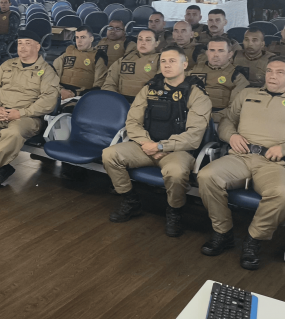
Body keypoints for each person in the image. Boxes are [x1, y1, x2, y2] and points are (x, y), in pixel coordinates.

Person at [197, 56, 285, 270]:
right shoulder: (247, 94)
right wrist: (231, 135)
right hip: (240, 156)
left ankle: (254, 239)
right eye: (269, 71)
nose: (272, 76)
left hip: (275, 163)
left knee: (284, 195)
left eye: (280, 72)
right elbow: (226, 120)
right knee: (206, 176)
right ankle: (223, 232)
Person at [102, 47, 212, 237]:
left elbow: (194, 136)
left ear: (185, 64)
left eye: (172, 61)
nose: (167, 65)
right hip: (147, 145)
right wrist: (147, 143)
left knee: (176, 172)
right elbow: (132, 122)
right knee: (109, 154)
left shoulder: (196, 94)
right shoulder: (150, 88)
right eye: (163, 61)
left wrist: (161, 146)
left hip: (177, 150)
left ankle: (174, 211)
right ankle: (130, 201)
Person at [0, 31, 60, 188]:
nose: (22, 47)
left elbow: (48, 102)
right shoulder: (8, 65)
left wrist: (20, 113)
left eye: (27, 43)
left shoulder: (47, 71)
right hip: (1, 112)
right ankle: (2, 167)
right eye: (20, 43)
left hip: (28, 118)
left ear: (37, 46)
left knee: (12, 133)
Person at [189, 36, 250, 123]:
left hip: (220, 120)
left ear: (230, 54)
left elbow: (234, 110)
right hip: (193, 116)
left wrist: (210, 117)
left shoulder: (236, 76)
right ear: (207, 53)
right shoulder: (195, 69)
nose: (215, 55)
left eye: (221, 51)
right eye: (212, 50)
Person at [101, 29, 161, 102]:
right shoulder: (123, 60)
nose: (143, 43)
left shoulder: (161, 61)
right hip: (122, 102)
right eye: (140, 39)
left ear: (157, 43)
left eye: (148, 40)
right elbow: (109, 84)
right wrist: (117, 101)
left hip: (147, 103)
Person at [53, 26, 109, 99]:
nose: (79, 41)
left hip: (81, 96)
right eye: (77, 37)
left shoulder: (98, 57)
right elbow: (53, 74)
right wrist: (61, 90)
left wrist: (76, 93)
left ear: (91, 39)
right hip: (60, 92)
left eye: (83, 37)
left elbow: (98, 85)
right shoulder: (68, 52)